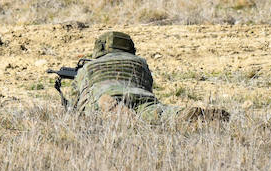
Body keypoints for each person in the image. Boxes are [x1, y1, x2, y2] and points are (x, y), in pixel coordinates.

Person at [63, 31, 228, 123]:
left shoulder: (89, 66)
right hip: (142, 96)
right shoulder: (140, 62)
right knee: (158, 114)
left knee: (99, 112)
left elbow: (76, 103)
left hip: (106, 97)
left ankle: (117, 112)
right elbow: (147, 84)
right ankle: (181, 115)